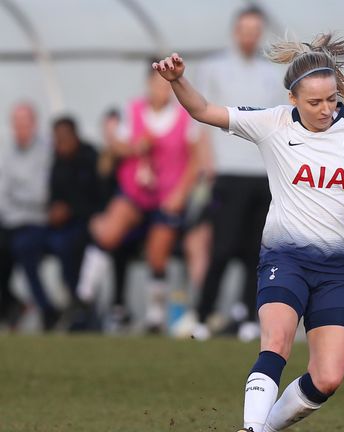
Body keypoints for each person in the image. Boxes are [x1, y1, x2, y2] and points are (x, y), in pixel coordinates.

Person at [153, 32, 344, 432]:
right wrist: (177, 80)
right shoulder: (272, 123)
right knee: (276, 342)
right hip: (286, 258)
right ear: (293, 98)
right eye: (314, 102)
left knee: (328, 377)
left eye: (332, 99)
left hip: (342, 268)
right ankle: (251, 427)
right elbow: (204, 110)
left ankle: (263, 428)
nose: (326, 109)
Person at [77, 60, 200, 332]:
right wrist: (133, 147)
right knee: (108, 233)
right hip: (134, 191)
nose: (162, 90)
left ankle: (155, 316)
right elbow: (117, 147)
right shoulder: (132, 110)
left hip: (167, 196)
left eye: (167, 85)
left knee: (158, 255)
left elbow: (195, 160)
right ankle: (82, 296)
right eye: (157, 84)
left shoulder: (184, 116)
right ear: (148, 83)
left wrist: (181, 193)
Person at [190, 5, 285, 342]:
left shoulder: (271, 73)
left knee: (255, 251)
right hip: (227, 173)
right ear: (235, 31)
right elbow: (199, 120)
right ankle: (202, 314)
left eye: (255, 30)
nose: (249, 36)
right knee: (221, 248)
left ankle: (247, 315)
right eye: (245, 29)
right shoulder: (213, 67)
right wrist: (208, 168)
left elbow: (278, 125)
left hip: (261, 173)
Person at [0, 102, 58, 330]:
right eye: (16, 124)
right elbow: (3, 193)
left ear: (34, 124)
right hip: (9, 220)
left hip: (36, 222)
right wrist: (18, 196)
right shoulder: (7, 153)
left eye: (25, 123)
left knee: (25, 250)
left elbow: (41, 195)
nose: (20, 129)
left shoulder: (46, 152)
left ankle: (47, 310)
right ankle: (12, 304)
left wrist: (17, 193)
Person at [47, 116, 101, 302]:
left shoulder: (91, 157)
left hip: (89, 223)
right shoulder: (56, 162)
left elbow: (99, 198)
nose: (60, 143)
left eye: (64, 137)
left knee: (73, 247)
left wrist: (70, 210)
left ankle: (83, 303)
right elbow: (53, 197)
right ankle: (73, 299)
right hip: (63, 227)